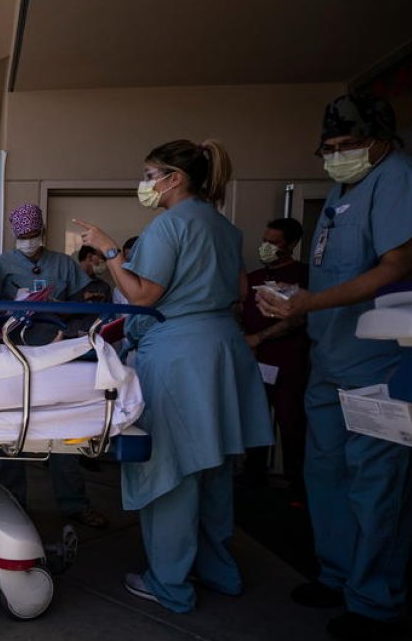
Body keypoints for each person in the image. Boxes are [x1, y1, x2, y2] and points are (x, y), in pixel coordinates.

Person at [257, 94, 412, 641]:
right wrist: (300, 302)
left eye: (348, 145)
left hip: (386, 361)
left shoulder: (403, 179)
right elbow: (339, 270)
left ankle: (375, 602)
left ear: (381, 140)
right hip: (333, 355)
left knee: (379, 484)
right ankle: (338, 574)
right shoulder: (344, 191)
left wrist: (309, 303)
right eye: (328, 148)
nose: (336, 156)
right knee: (326, 475)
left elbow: (401, 264)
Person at [76, 139, 271, 614]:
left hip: (180, 356)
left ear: (174, 178)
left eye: (149, 175)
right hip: (222, 349)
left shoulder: (169, 225)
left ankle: (170, 583)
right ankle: (218, 569)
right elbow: (240, 290)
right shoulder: (224, 227)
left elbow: (143, 296)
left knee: (171, 470)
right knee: (212, 467)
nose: (145, 184)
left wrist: (109, 249)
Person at [0, 203, 106, 527]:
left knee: (62, 428)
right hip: (15, 352)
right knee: (10, 428)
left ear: (42, 231)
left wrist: (59, 310)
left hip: (56, 351)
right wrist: (12, 306)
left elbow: (85, 302)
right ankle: (9, 503)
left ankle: (74, 503)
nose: (28, 240)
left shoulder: (63, 264)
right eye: (23, 235)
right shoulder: (1, 265)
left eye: (33, 234)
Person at [239, 218, 310, 502]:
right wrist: (245, 338)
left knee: (290, 424)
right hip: (255, 363)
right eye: (264, 241)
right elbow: (239, 310)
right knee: (255, 420)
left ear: (291, 244)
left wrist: (260, 337)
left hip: (289, 364)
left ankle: (297, 487)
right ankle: (252, 478)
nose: (266, 247)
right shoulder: (254, 278)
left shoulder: (303, 277)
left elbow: (298, 317)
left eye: (274, 242)